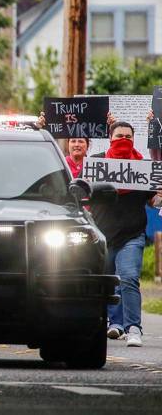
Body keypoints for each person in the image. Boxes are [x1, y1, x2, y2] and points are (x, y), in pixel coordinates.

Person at [90, 121, 162, 348]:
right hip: (103, 236)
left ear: (134, 139)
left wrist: (160, 195)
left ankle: (134, 328)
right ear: (110, 138)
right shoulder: (98, 164)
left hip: (132, 235)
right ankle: (115, 323)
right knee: (107, 282)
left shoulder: (142, 167)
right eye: (119, 135)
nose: (124, 139)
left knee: (129, 278)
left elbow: (153, 200)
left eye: (128, 136)